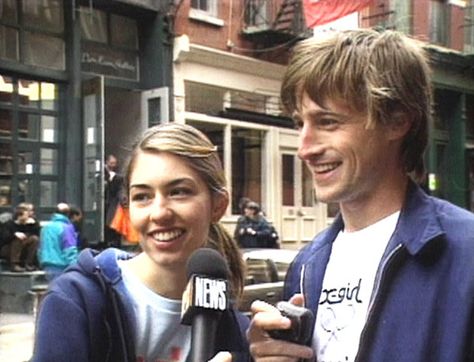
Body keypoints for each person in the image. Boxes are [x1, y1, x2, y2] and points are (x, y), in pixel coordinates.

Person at [247, 29, 474, 362]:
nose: (304, 149)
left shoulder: (465, 254)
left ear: (397, 121)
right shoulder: (307, 265)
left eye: (327, 122)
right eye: (299, 124)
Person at [33, 123, 250, 362]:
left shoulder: (236, 332)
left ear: (218, 205)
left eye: (178, 192)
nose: (158, 213)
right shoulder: (76, 300)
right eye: (142, 197)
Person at [38, 202, 79, 281]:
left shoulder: (45, 227)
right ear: (68, 214)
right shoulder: (67, 227)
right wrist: (74, 267)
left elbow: (40, 248)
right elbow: (69, 249)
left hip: (47, 264)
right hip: (61, 265)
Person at [0, 203, 39, 272]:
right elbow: (4, 239)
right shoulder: (9, 224)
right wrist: (14, 234)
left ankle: (29, 263)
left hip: (23, 249)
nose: (28, 217)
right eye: (26, 215)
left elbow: (36, 234)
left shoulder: (29, 223)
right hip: (8, 250)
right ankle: (14, 264)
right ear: (19, 216)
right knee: (18, 238)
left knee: (34, 239)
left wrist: (33, 224)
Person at [104, 153, 124, 248]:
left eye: (114, 163)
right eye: (111, 163)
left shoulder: (118, 178)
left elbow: (118, 191)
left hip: (112, 204)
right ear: (106, 162)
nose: (113, 165)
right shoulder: (101, 174)